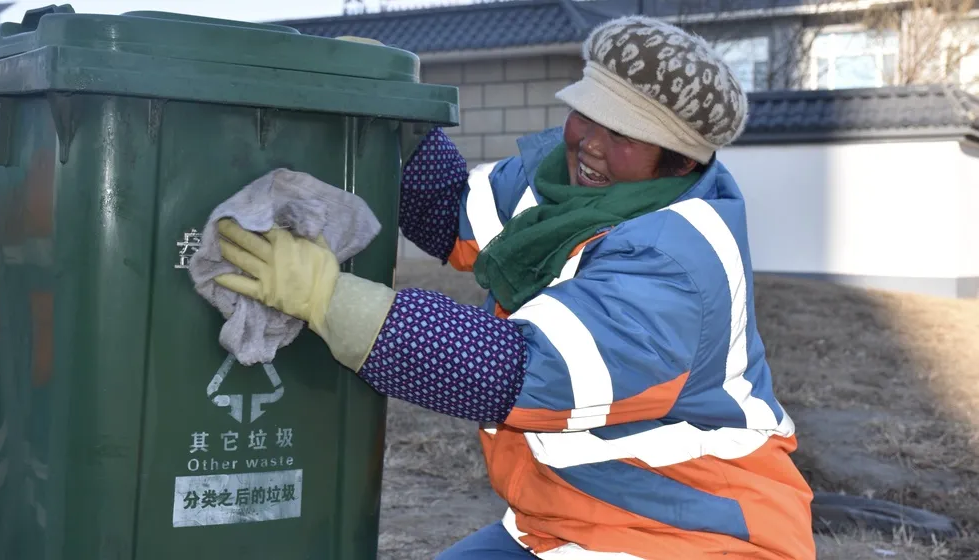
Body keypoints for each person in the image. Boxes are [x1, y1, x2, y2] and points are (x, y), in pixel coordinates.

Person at [213, 15, 816, 560]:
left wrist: (332, 302)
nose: (591, 144)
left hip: (691, 537)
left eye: (625, 134)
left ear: (682, 162)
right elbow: (450, 212)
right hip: (566, 521)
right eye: (588, 114)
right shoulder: (565, 179)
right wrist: (393, 110)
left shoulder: (677, 263)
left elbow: (522, 370)